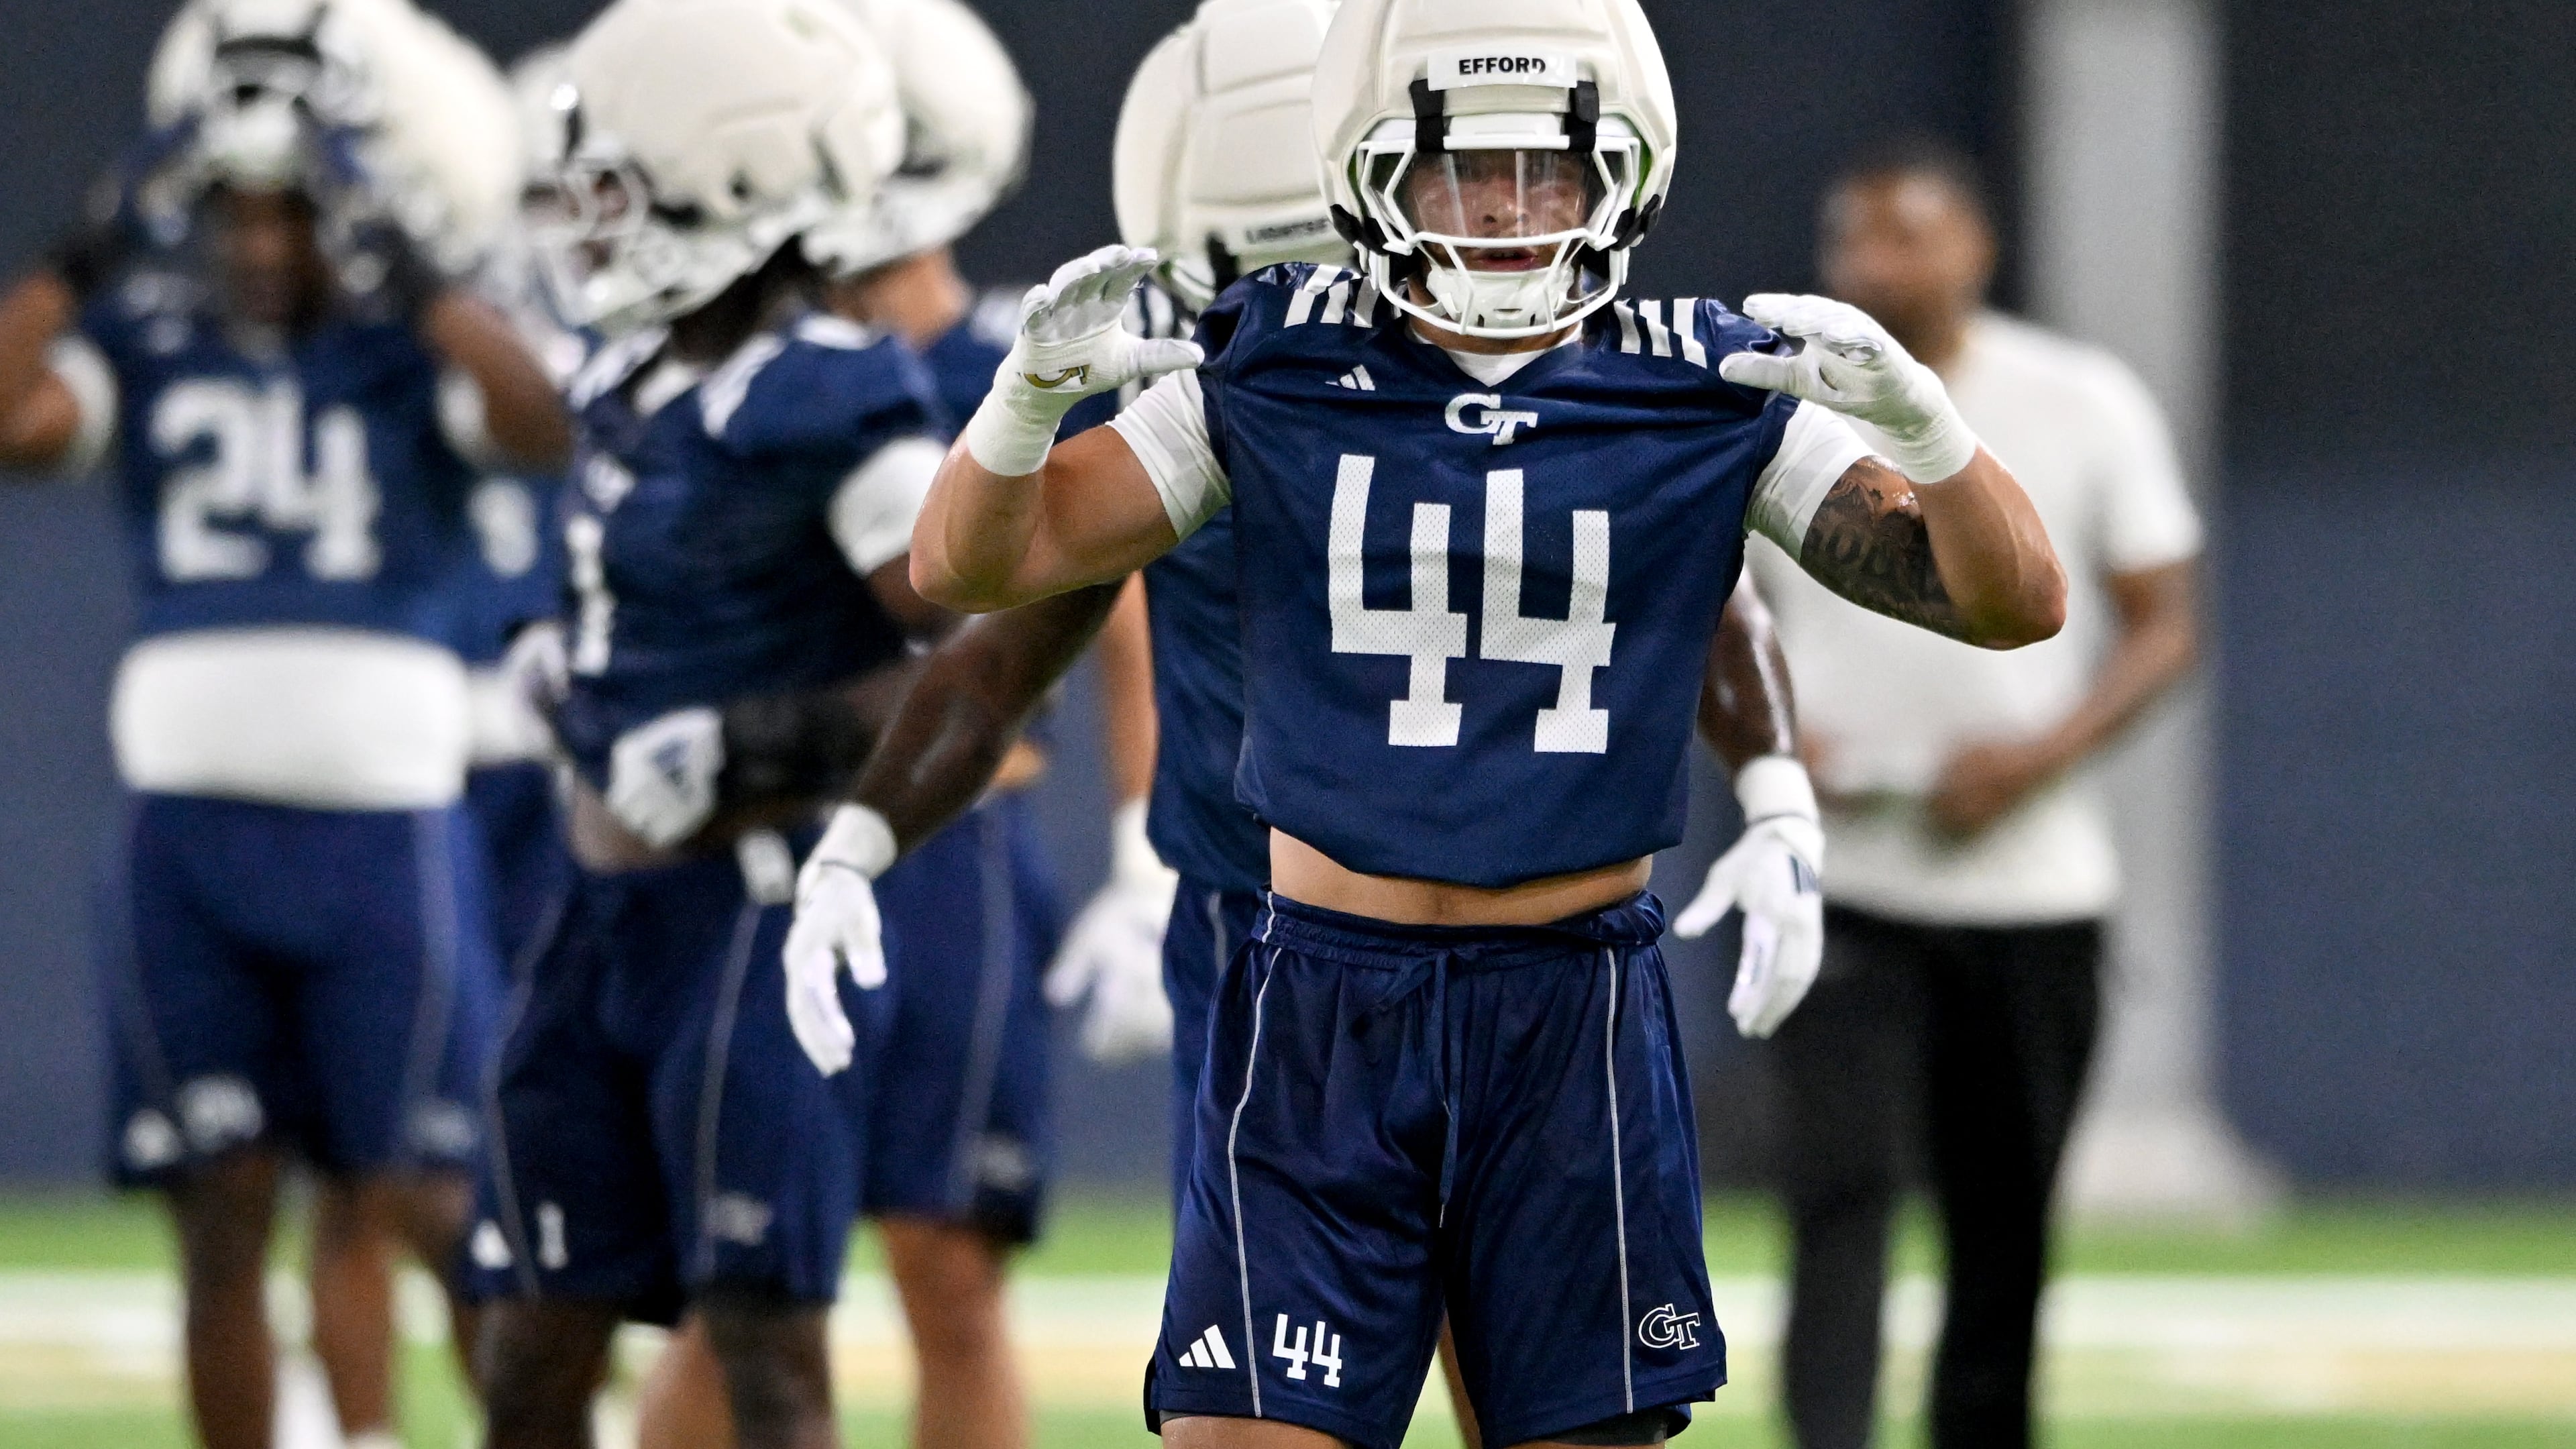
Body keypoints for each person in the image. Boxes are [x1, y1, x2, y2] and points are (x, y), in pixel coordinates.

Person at [810, 2, 2072, 1448]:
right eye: (1461, 169)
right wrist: (1019, 407)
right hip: (1320, 1002)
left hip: (1570, 1007)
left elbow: (2012, 601)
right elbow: (973, 570)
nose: (1509, 207)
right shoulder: (1274, 361)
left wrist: (1932, 441)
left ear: (1626, 174)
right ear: (1367, 173)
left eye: (1550, 170)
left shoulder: (1700, 376)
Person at [1099, 7, 1831, 1445]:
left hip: (1539, 953)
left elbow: (1692, 590)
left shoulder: (1632, 378)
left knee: (1533, 1393)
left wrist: (1783, 788)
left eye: (1530, 173)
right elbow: (1020, 602)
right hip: (1273, 932)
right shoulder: (1237, 373)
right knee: (1263, 1396)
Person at [0, 1, 567, 1445]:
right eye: (235, 214)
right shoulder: (149, 329)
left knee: (437, 1195)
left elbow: (544, 421)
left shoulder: (408, 337)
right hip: (190, 835)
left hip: (383, 831)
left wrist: (415, 264)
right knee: (221, 1212)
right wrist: (86, 249)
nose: (258, 247)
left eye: (291, 214)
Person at [460, 1, 930, 1444]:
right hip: (595, 906)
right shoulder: (627, 379)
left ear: (730, 185)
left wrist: (760, 743)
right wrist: (555, 657)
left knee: (764, 1346)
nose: (590, 223)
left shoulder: (828, 398)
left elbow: (966, 668)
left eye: (619, 187)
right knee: (528, 1335)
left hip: (748, 910)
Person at [1743, 136, 2204, 1449]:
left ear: (1976, 251)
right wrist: (1775, 746)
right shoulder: (1786, 407)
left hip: (2033, 884)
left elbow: (2164, 616)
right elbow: (1726, 611)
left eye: (1907, 237)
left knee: (2006, 1217)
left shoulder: (2081, 397)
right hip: (1850, 874)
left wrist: (2038, 757)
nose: (1876, 266)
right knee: (1840, 1195)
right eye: (1855, 241)